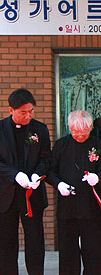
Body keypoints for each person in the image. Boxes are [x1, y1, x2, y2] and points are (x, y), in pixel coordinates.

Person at [47, 110, 101, 275]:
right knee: (68, 252)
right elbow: (51, 172)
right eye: (75, 132)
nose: (79, 136)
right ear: (69, 127)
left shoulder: (99, 145)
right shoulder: (61, 145)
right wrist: (59, 185)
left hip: (91, 206)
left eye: (83, 132)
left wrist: (98, 177)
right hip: (67, 208)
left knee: (94, 252)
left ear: (90, 127)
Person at [0, 88, 50, 275]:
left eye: (31, 111)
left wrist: (37, 175)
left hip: (32, 194)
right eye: (23, 112)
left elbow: (46, 158)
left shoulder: (40, 129)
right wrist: (14, 174)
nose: (28, 115)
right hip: (6, 194)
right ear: (11, 110)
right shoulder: (1, 129)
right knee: (6, 242)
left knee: (35, 240)